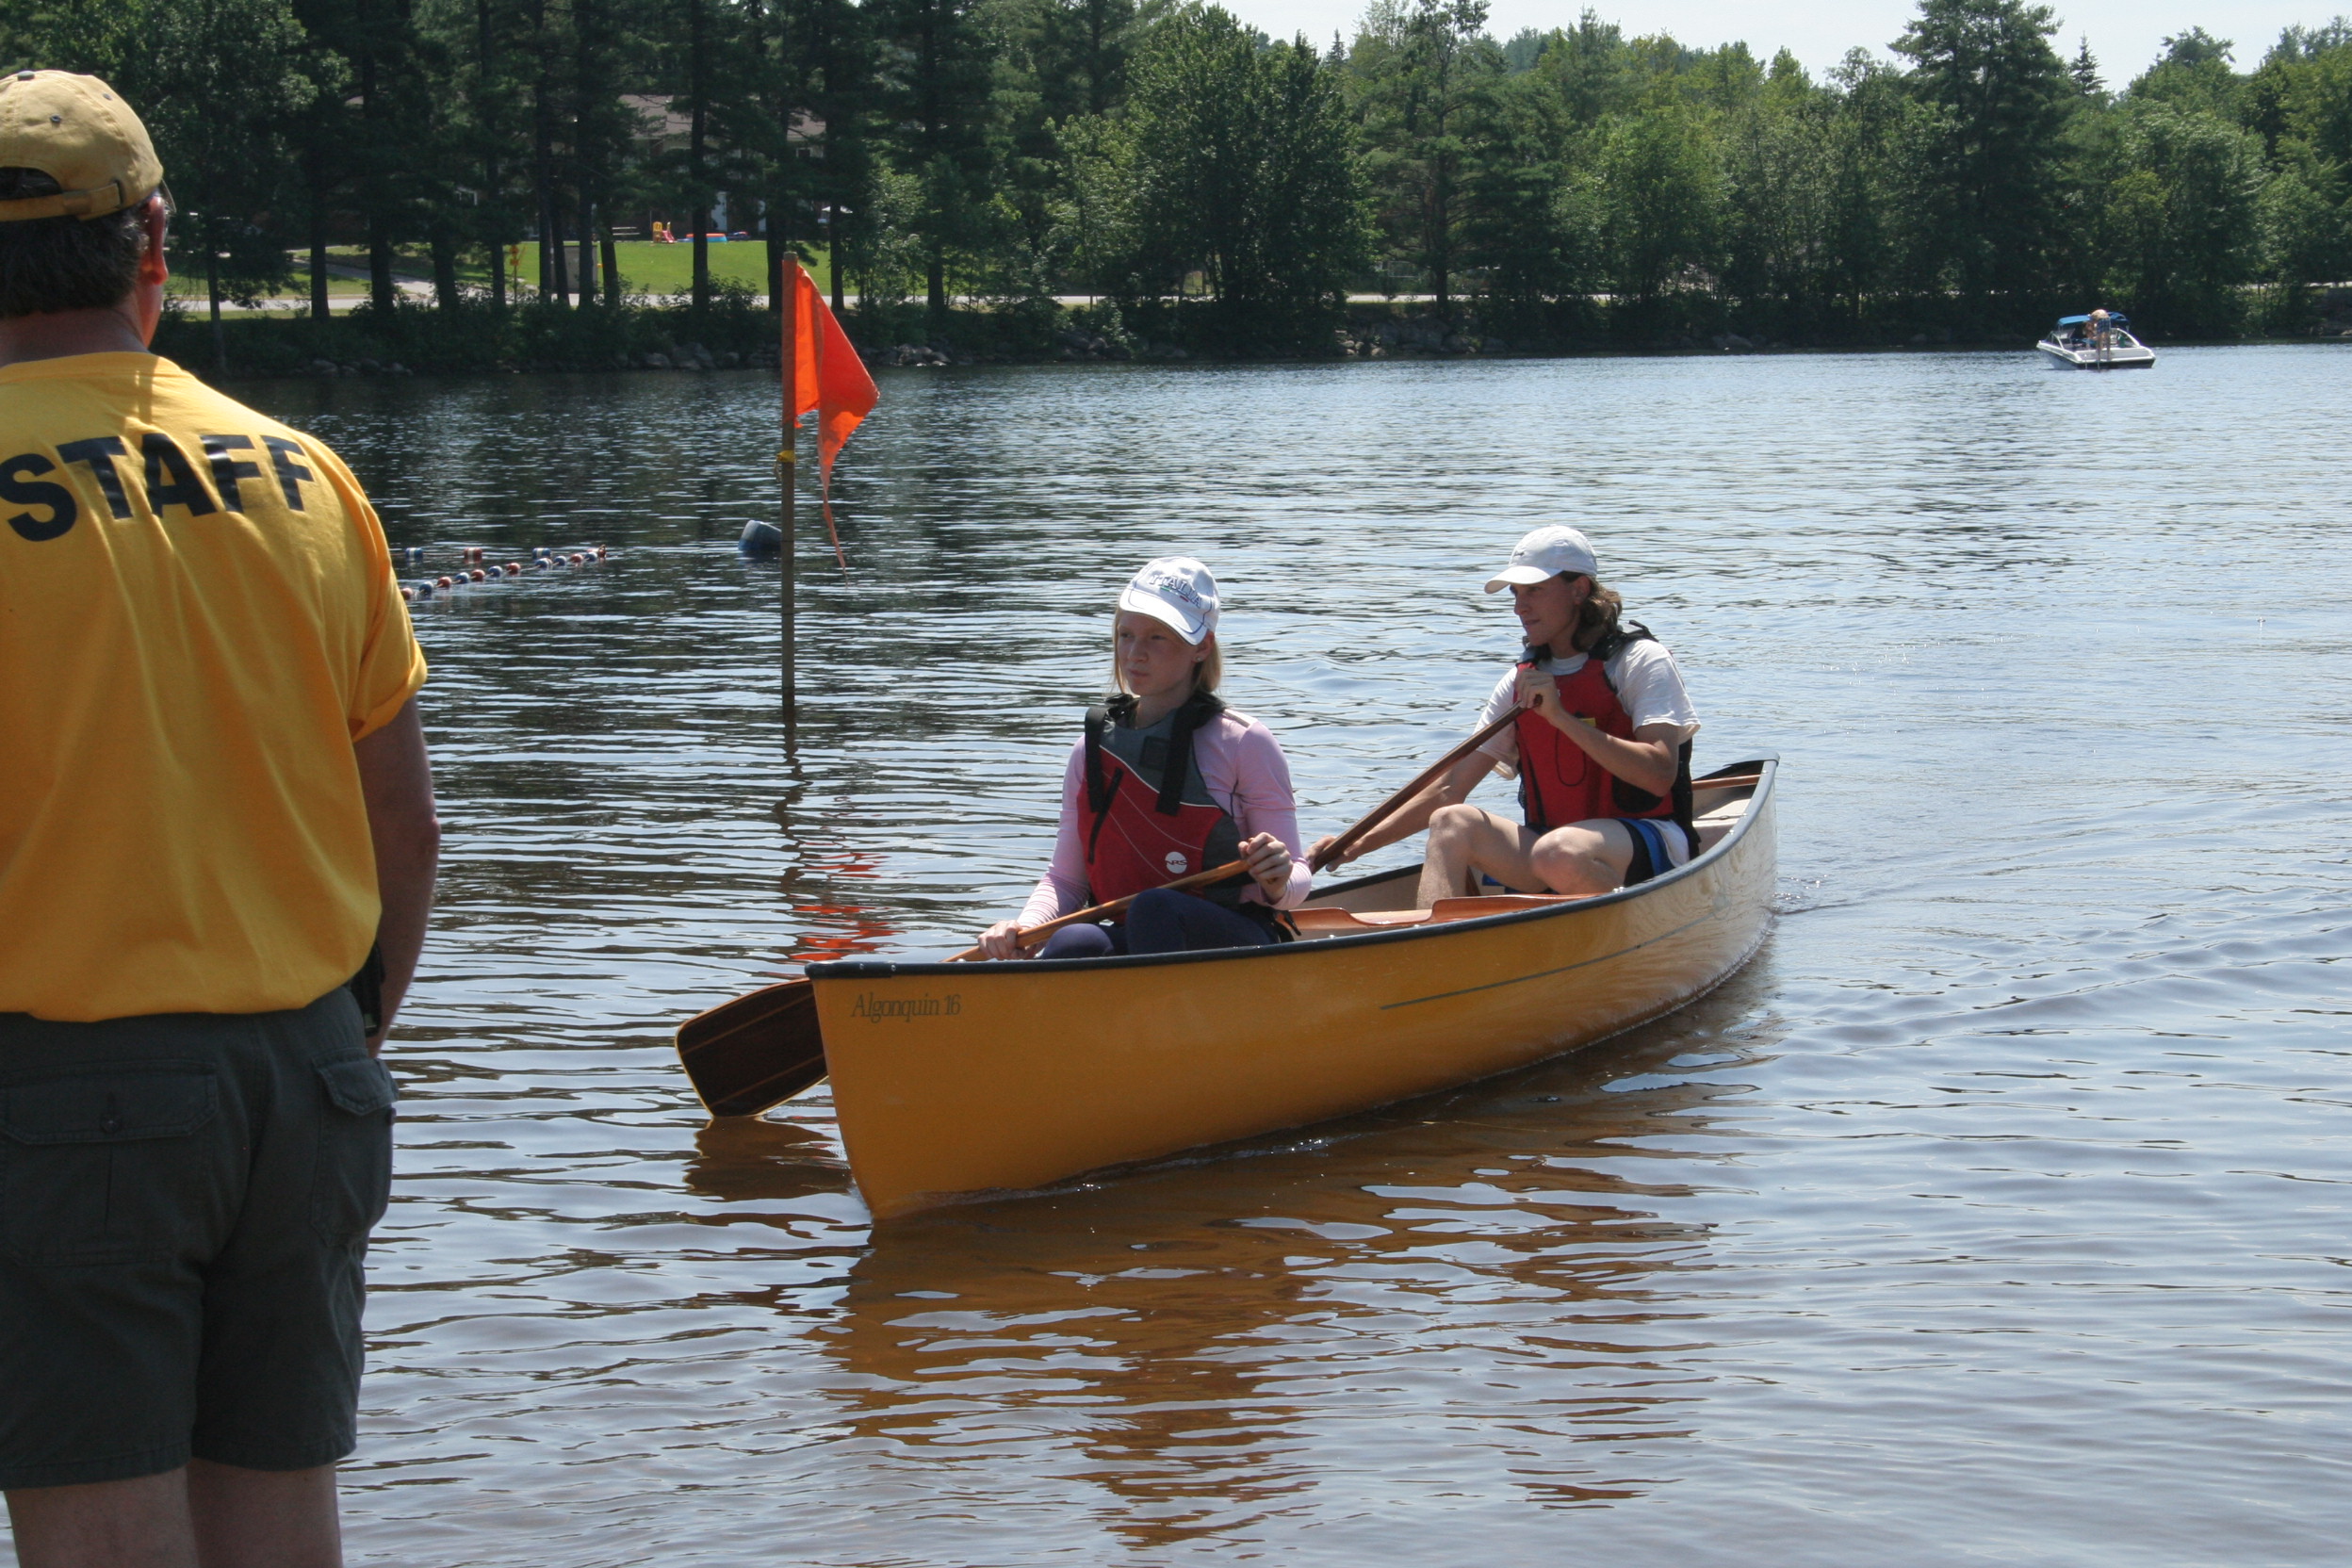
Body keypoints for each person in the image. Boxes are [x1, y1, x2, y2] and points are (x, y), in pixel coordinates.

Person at [0, 72, 437, 1568]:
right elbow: (408, 832)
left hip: (61, 1086)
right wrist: (334, 1041)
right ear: (154, 246)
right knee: (279, 1520)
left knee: (99, 1534)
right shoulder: (307, 479)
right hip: (308, 1067)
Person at [1311, 526, 1700, 906]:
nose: (1520, 607)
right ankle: (1435, 949)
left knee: (1557, 851)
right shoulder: (1519, 681)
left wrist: (1561, 718)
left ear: (1579, 590)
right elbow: (1449, 789)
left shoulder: (1639, 661)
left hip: (1649, 841)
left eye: (1535, 591)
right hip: (1553, 847)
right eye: (1515, 594)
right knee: (1450, 821)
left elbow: (1658, 774)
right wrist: (1354, 846)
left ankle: (1631, 926)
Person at [976, 558, 1310, 959]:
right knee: (1072, 940)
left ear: (1201, 647)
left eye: (1157, 638)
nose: (1135, 654)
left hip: (1239, 941)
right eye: (1126, 635)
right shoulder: (1090, 751)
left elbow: (1296, 886)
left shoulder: (1245, 743)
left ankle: (1160, 1016)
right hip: (1145, 937)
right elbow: (1065, 880)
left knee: (1156, 906)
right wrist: (1024, 929)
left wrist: (1278, 878)